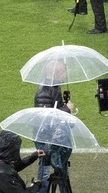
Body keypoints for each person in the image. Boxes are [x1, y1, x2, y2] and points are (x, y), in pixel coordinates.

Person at [33, 63, 75, 193]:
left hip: (55, 135)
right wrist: (66, 109)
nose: (64, 75)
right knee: (45, 169)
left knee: (62, 167)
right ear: (52, 74)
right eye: (61, 73)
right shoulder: (44, 92)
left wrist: (64, 103)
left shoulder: (55, 87)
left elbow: (55, 110)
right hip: (44, 137)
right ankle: (41, 190)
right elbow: (46, 117)